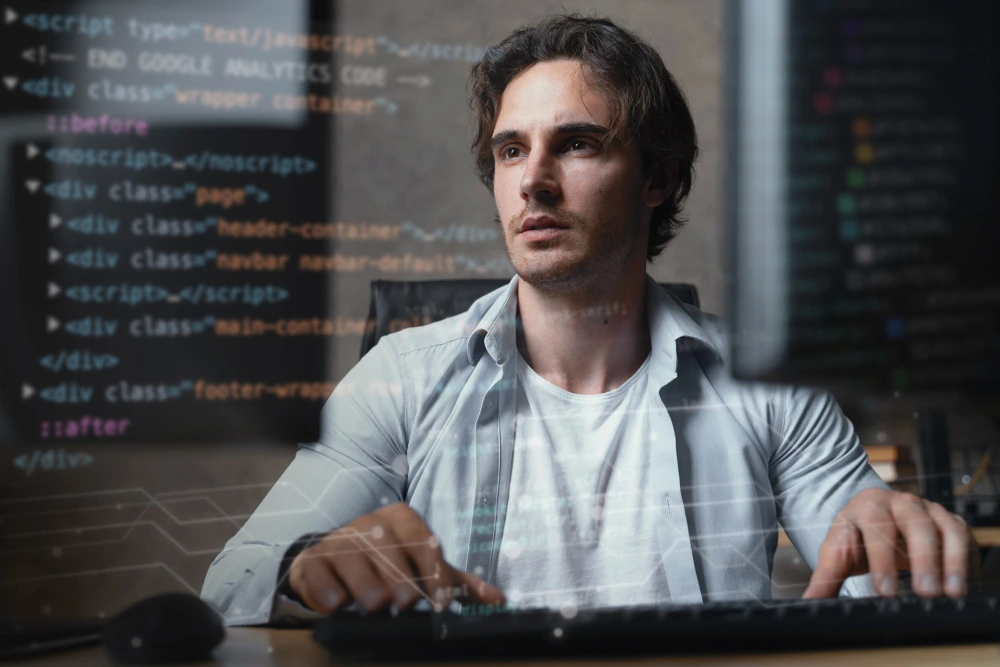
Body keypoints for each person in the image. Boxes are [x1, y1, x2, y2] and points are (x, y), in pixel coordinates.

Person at [202, 14, 974, 625]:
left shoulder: (773, 386)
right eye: (510, 151)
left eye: (575, 144)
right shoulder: (399, 380)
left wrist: (901, 543)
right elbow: (231, 581)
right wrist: (306, 565)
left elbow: (872, 572)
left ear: (658, 178)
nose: (533, 181)